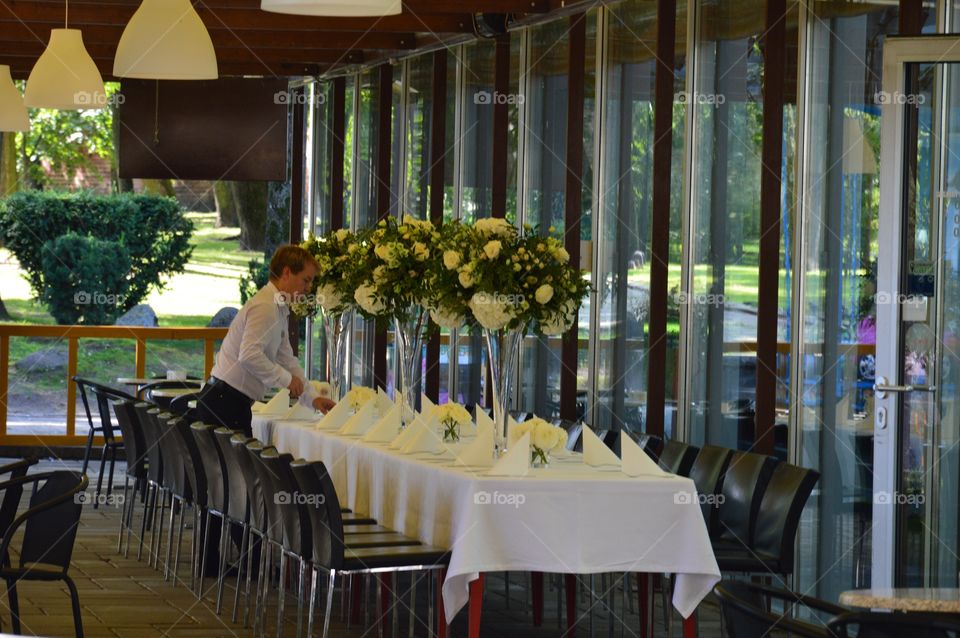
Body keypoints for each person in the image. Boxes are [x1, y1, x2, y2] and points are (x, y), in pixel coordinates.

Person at [197, 244, 336, 437]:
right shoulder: (266, 306)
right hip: (224, 403)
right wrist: (287, 380)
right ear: (287, 272)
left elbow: (286, 359)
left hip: (228, 401)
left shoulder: (277, 306)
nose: (308, 288)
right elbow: (249, 355)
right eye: (306, 280)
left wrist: (312, 398)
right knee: (240, 468)